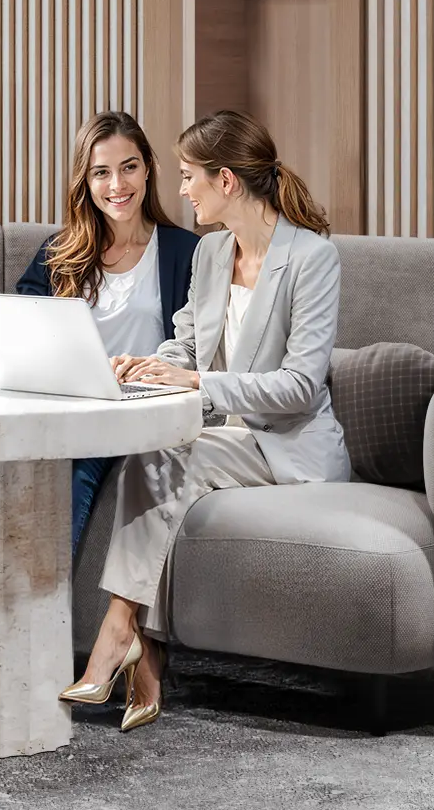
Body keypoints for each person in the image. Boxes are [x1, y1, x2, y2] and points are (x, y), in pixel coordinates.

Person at [62, 108, 350, 732]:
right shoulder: (212, 253)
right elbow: (186, 346)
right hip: (224, 435)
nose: (181, 188)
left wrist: (195, 381)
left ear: (226, 180)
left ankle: (120, 635)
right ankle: (140, 659)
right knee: (159, 452)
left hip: (286, 446)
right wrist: (151, 365)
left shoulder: (313, 259)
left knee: (168, 453)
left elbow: (300, 386)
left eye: (190, 176)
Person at [17, 110, 198, 555]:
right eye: (102, 172)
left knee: (78, 463)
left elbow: (201, 346)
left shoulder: (185, 251)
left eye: (128, 167)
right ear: (86, 181)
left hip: (139, 412)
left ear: (148, 168)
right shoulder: (59, 253)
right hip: (70, 406)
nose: (117, 185)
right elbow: (21, 331)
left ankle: (40, 603)